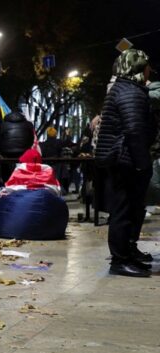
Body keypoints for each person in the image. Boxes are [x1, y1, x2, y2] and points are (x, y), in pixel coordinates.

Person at [96, 49, 155, 278]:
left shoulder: (125, 88)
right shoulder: (130, 92)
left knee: (129, 209)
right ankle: (120, 260)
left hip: (124, 158)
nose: (151, 69)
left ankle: (127, 254)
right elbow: (134, 130)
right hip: (126, 160)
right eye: (147, 65)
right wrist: (143, 163)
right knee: (123, 210)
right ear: (137, 67)